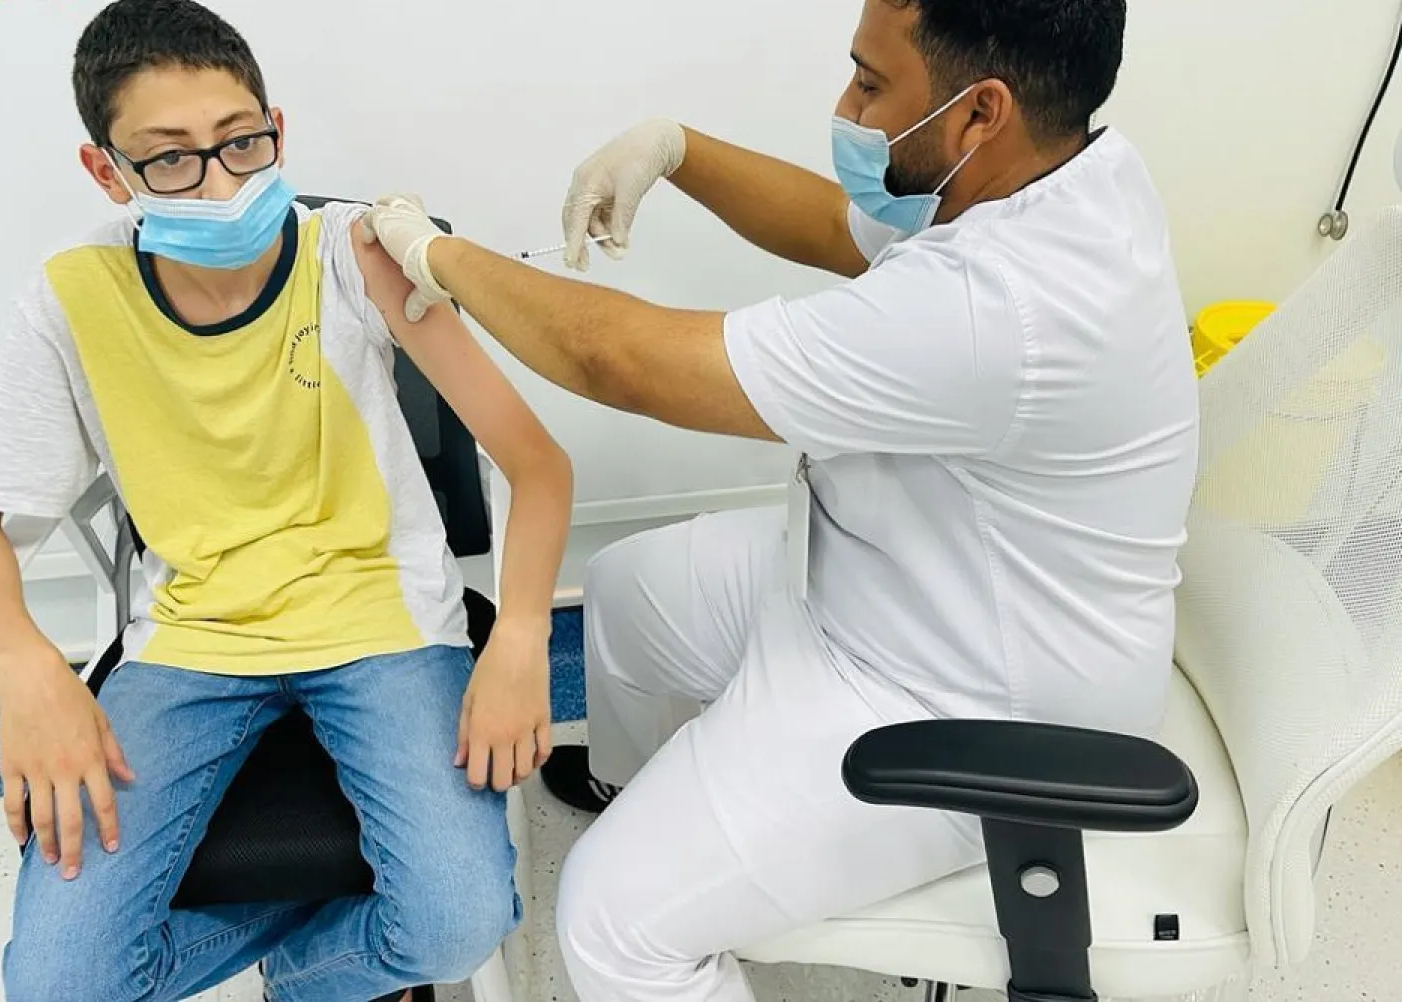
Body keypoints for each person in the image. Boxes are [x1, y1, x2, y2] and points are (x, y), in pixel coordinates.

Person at [364, 0, 1197, 999]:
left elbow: (621, 360)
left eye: (872, 84)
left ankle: (673, 901)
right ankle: (641, 798)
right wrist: (675, 149)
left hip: (973, 699)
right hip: (891, 579)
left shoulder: (999, 308)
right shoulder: (1060, 171)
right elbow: (838, 224)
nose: (846, 108)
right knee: (624, 592)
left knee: (609, 922)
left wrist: (436, 256)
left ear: (981, 112)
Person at [0, 1, 574, 1000]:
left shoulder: (353, 255)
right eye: (171, 159)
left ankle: (303, 977)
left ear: (276, 129)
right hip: (193, 637)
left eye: (240, 142)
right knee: (58, 986)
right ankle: (336, 945)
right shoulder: (74, 296)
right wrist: (27, 665)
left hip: (381, 618)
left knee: (456, 925)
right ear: (108, 171)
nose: (220, 183)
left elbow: (536, 462)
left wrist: (520, 635)